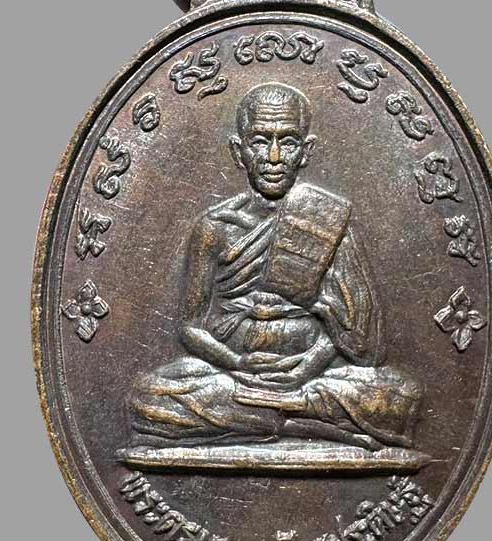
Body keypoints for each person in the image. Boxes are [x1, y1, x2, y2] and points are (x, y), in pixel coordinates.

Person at [128, 82, 422, 451]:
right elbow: (191, 326)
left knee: (400, 393)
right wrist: (238, 363)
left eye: (288, 142)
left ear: (306, 151)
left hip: (311, 376)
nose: (274, 156)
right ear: (239, 152)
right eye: (260, 141)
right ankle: (303, 424)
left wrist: (306, 367)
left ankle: (274, 415)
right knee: (147, 398)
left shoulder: (328, 221)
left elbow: (364, 340)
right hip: (232, 375)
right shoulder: (215, 227)